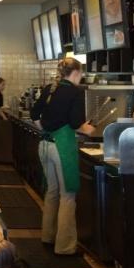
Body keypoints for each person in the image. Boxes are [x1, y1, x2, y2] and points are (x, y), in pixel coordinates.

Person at [30, 57, 95, 255]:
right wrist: (87, 129)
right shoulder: (75, 92)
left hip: (45, 145)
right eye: (81, 73)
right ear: (75, 73)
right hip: (62, 148)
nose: (81, 77)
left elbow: (34, 114)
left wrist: (45, 129)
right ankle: (65, 247)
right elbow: (75, 123)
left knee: (51, 192)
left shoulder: (50, 88)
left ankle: (48, 236)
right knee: (67, 195)